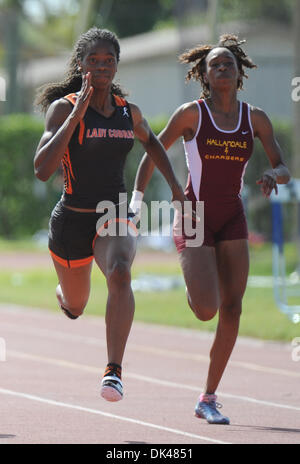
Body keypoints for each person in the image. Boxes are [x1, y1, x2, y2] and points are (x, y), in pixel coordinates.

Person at [131, 34, 291, 424]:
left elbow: (284, 167)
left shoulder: (255, 118)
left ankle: (208, 396)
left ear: (239, 75)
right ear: (203, 74)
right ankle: (198, 281)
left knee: (233, 309)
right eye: (214, 64)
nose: (222, 68)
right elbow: (153, 148)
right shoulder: (191, 114)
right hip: (194, 214)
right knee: (207, 309)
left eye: (228, 64)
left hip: (232, 216)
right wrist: (137, 201)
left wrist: (273, 173)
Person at [34, 27, 186, 403]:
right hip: (71, 220)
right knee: (76, 305)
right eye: (94, 60)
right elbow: (42, 168)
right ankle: (65, 296)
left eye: (109, 61)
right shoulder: (64, 108)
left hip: (112, 214)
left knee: (120, 272)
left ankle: (113, 371)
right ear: (81, 65)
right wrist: (77, 116)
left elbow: (152, 143)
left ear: (117, 66)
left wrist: (177, 189)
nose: (102, 66)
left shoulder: (127, 112)